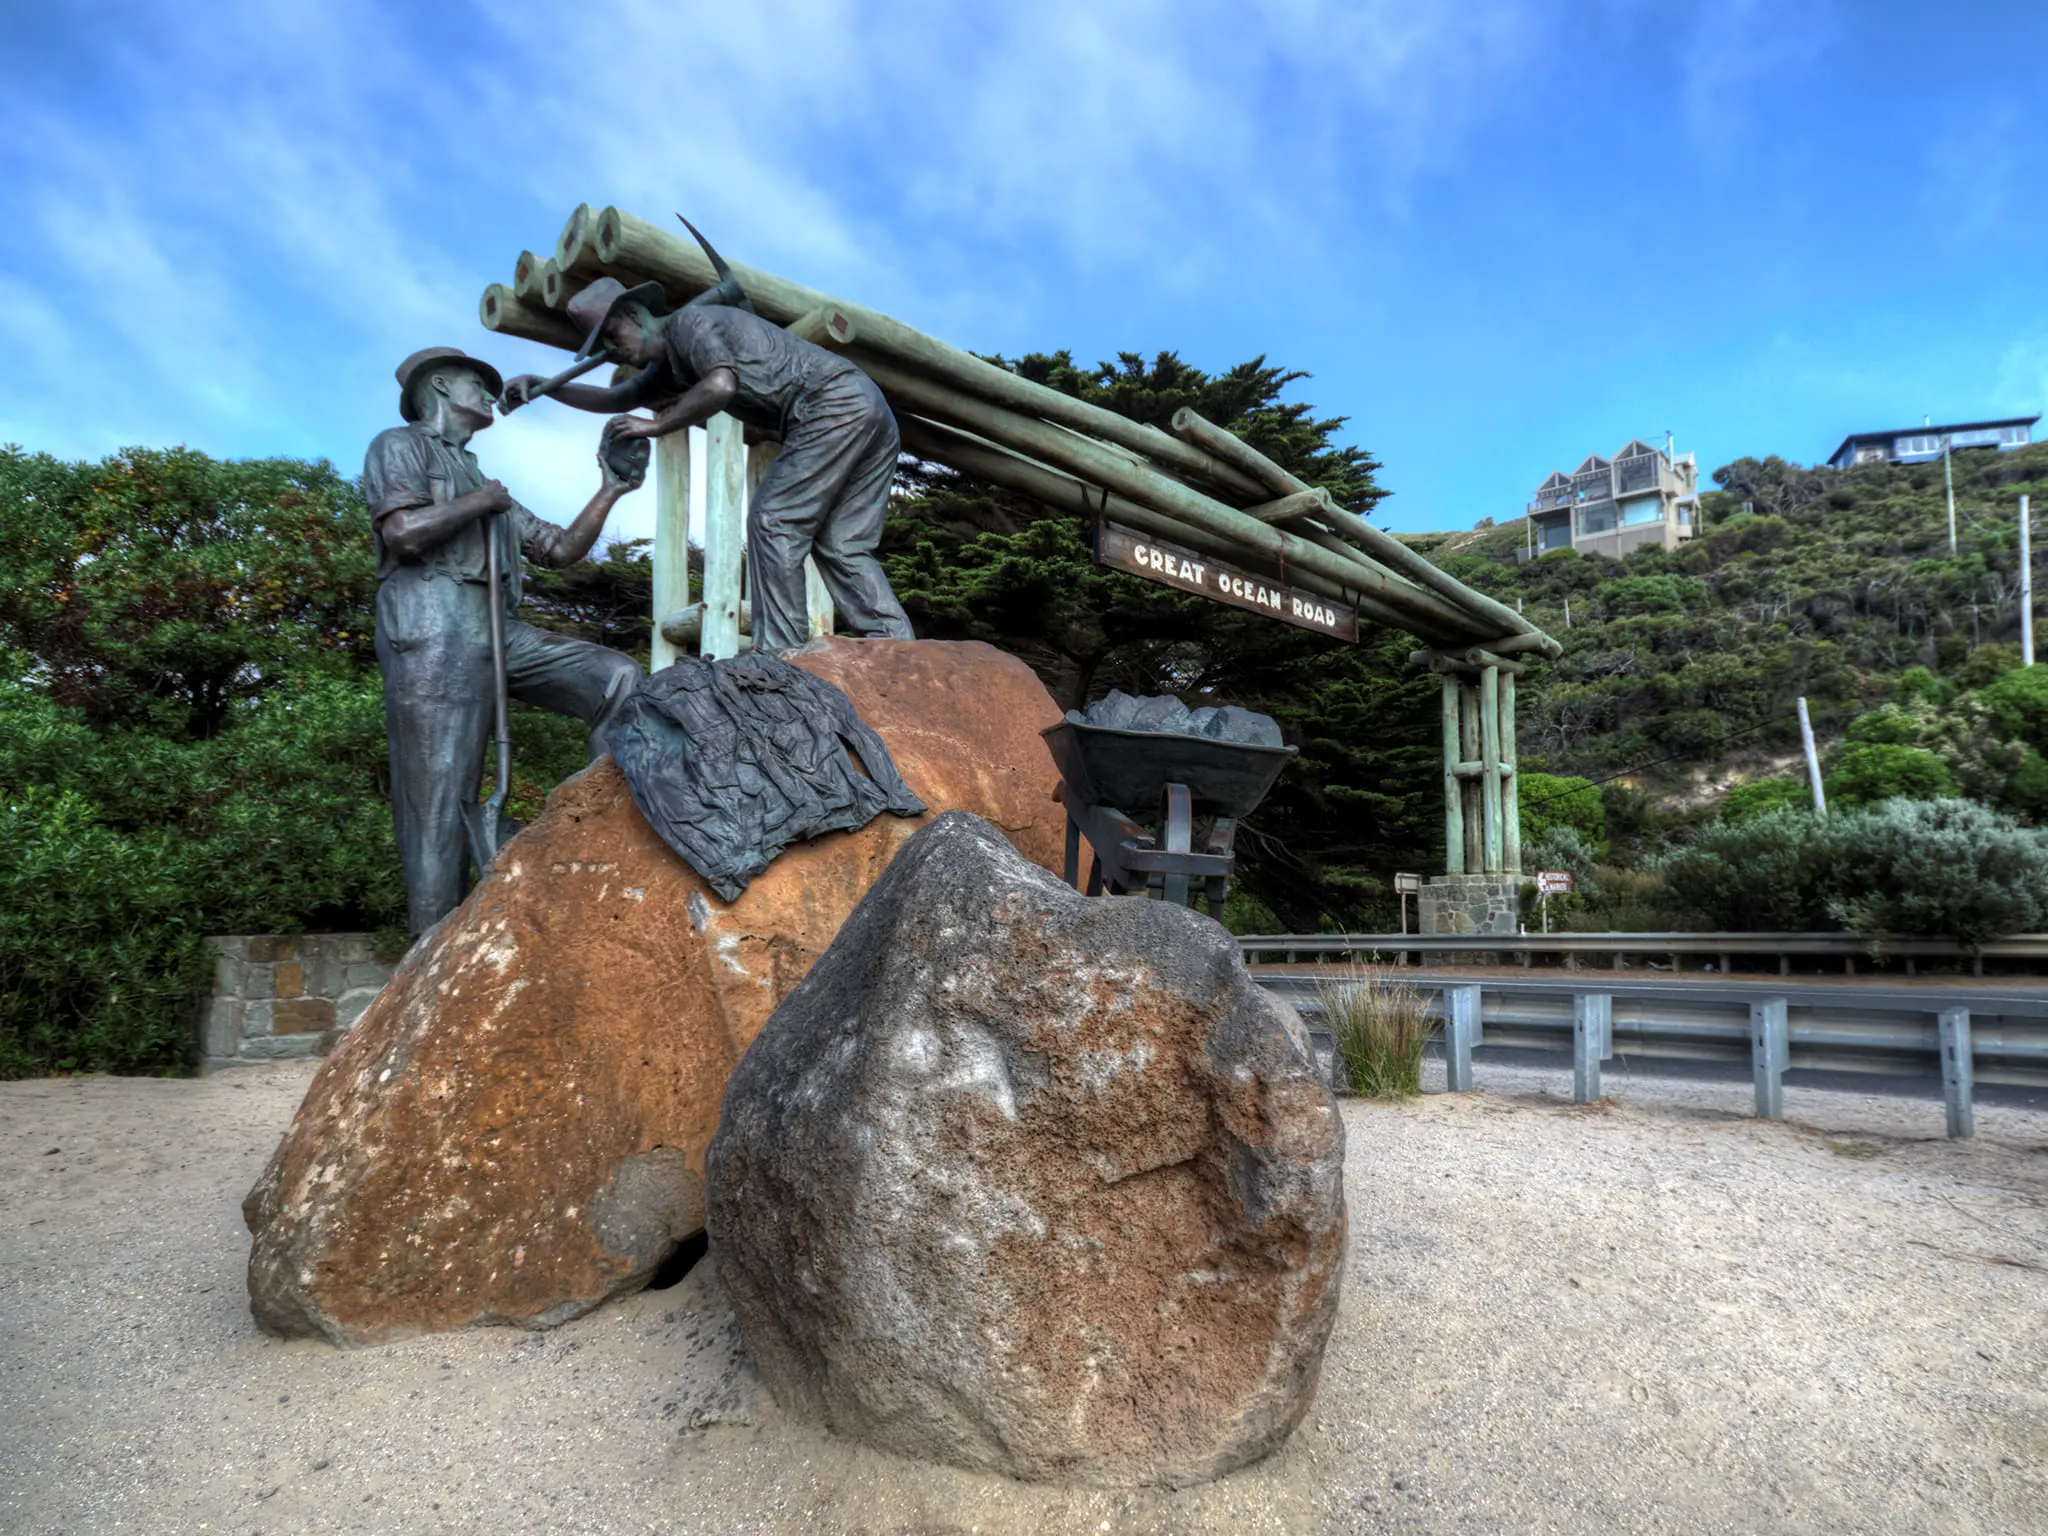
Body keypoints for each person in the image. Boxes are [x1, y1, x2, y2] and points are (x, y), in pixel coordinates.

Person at [366, 346, 645, 932]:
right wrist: (480, 502)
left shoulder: (481, 479)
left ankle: (601, 831)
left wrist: (612, 487)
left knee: (615, 679)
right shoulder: (399, 446)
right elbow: (404, 534)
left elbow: (561, 549)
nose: (491, 395)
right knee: (438, 803)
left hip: (497, 628)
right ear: (440, 385)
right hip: (433, 624)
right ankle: (430, 952)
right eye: (479, 383)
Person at [501, 270, 914, 654]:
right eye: (604, 345)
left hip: (832, 404)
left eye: (611, 334)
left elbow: (720, 384)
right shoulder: (671, 363)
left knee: (774, 520)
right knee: (842, 544)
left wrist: (656, 426)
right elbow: (617, 398)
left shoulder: (689, 324)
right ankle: (898, 647)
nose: (612, 350)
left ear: (633, 313)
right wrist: (545, 389)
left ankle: (781, 654)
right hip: (868, 406)